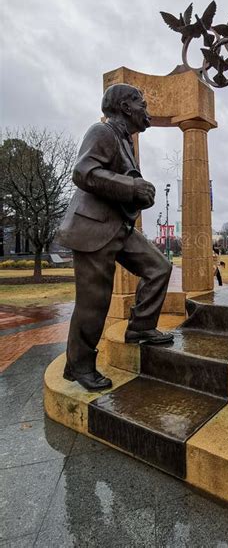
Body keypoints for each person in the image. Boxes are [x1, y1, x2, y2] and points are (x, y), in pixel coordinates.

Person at [56, 83, 174, 391]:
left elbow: (119, 185)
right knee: (94, 302)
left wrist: (138, 195)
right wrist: (132, 188)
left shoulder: (126, 141)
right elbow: (83, 172)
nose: (147, 111)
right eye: (143, 105)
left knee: (159, 267)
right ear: (125, 107)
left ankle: (140, 328)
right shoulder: (103, 132)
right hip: (92, 229)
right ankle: (79, 366)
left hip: (118, 227)